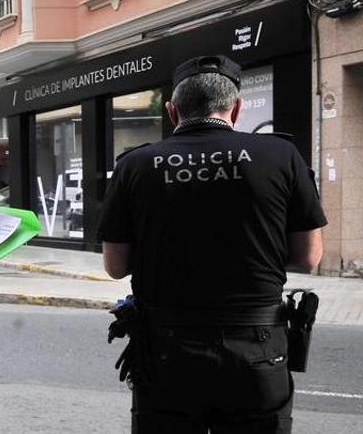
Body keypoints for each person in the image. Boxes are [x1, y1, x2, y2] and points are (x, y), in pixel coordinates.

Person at [100, 56, 327, 434]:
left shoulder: (134, 165)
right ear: (235, 108)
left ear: (173, 112)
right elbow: (309, 256)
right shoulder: (281, 155)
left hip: (166, 350)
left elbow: (115, 265)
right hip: (256, 348)